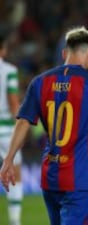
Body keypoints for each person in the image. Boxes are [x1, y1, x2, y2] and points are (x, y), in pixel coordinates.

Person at [0, 26, 88, 225]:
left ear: (64, 53)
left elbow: (23, 121)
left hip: (51, 176)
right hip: (80, 178)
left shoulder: (40, 82)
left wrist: (8, 159)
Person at [0, 33, 22, 225]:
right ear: (3, 50)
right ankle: (14, 222)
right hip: (6, 130)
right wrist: (20, 126)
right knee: (15, 173)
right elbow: (13, 101)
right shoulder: (9, 70)